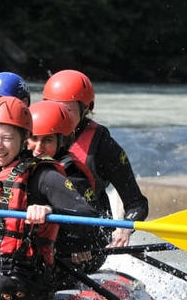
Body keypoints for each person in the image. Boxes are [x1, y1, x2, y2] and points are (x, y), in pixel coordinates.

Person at [0, 96, 103, 300]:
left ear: (23, 139)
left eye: (6, 138)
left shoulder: (44, 176)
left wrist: (50, 211)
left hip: (26, 283)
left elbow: (92, 223)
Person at [41, 69, 149, 248]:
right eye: (54, 109)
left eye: (67, 110)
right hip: (47, 230)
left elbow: (136, 203)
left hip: (89, 238)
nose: (59, 118)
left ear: (86, 109)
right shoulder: (32, 136)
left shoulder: (102, 145)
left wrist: (124, 228)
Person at [26, 100, 102, 272]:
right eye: (33, 138)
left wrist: (80, 243)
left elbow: (94, 224)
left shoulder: (73, 175)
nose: (38, 148)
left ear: (61, 141)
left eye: (47, 140)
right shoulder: (17, 165)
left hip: (70, 253)